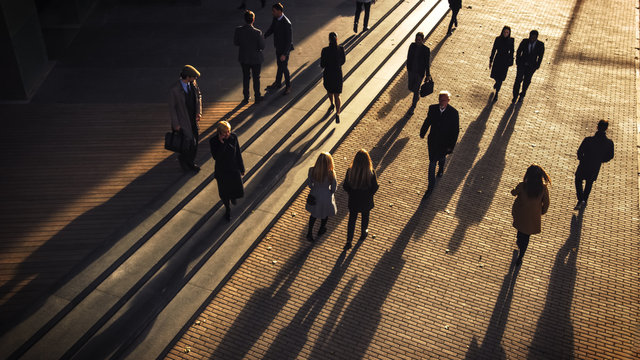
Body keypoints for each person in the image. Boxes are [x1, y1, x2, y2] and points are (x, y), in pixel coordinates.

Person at [419, 91, 460, 199]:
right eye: (440, 99)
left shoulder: (453, 113)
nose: (441, 102)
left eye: (444, 100)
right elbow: (428, 121)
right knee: (432, 163)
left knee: (439, 159)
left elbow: (455, 131)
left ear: (448, 100)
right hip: (433, 142)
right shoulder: (432, 108)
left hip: (444, 144)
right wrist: (423, 131)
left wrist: (451, 146)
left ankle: (441, 168)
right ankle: (430, 187)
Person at [511, 164, 551, 266]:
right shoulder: (543, 189)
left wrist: (513, 190)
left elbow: (514, 193)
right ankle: (521, 256)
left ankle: (520, 245)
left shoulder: (523, 186)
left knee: (520, 234)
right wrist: (542, 211)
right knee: (526, 237)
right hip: (533, 218)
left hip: (521, 215)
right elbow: (546, 203)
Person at [574, 120, 614, 210]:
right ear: (606, 129)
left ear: (597, 127)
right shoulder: (609, 143)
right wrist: (600, 160)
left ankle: (580, 199)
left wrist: (582, 159)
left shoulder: (588, 140)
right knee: (589, 182)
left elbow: (580, 151)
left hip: (584, 164)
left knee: (578, 179)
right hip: (595, 166)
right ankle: (584, 199)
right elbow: (610, 156)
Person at [343, 149, 379, 251]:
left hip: (354, 200)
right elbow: (375, 186)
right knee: (365, 216)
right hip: (366, 200)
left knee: (352, 220)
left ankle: (349, 240)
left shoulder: (350, 171)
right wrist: (369, 194)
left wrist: (351, 192)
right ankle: (363, 232)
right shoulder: (370, 172)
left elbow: (345, 186)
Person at [169, 65, 202, 172]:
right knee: (187, 142)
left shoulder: (193, 85)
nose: (195, 79)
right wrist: (176, 124)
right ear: (188, 77)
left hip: (192, 118)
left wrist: (199, 112)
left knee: (195, 141)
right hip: (182, 121)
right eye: (194, 77)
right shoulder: (175, 90)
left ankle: (190, 161)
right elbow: (172, 108)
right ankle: (186, 162)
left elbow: (199, 97)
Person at [210, 121, 245, 221]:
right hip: (222, 171)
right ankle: (227, 209)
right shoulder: (213, 141)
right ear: (220, 133)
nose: (227, 134)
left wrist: (242, 168)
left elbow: (237, 152)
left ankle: (232, 197)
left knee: (237, 189)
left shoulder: (233, 137)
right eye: (225, 132)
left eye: (228, 131)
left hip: (233, 168)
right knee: (224, 193)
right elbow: (216, 157)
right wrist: (222, 144)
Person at [234, 10, 266, 104]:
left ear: (244, 19)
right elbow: (262, 46)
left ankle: (246, 97)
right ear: (253, 20)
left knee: (245, 77)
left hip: (244, 57)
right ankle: (257, 96)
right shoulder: (257, 32)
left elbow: (236, 42)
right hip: (256, 59)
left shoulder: (238, 30)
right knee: (256, 77)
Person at [305, 152, 338, 242]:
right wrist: (330, 192)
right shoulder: (331, 173)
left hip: (315, 194)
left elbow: (309, 184)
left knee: (313, 215)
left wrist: (314, 189)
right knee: (325, 213)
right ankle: (321, 229)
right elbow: (334, 188)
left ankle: (309, 232)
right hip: (326, 196)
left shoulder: (312, 170)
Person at [264, 2, 293, 95]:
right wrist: (264, 35)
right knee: (279, 65)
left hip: (285, 49)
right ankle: (278, 82)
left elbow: (289, 41)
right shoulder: (276, 18)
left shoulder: (287, 23)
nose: (272, 13)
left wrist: (284, 54)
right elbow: (272, 28)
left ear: (280, 11)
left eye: (274, 11)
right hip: (278, 47)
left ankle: (288, 86)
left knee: (284, 68)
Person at [512, 30, 544, 103]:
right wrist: (518, 61)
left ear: (536, 37)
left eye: (533, 37)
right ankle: (515, 96)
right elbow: (519, 51)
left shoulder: (540, 45)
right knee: (518, 80)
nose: (531, 39)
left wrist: (537, 66)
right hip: (522, 64)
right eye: (530, 37)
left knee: (527, 81)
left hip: (531, 67)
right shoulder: (524, 41)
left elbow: (540, 56)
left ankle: (522, 94)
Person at [321, 32, 346, 124]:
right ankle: (338, 112)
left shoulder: (325, 50)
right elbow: (343, 61)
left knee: (329, 90)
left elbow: (322, 64)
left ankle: (331, 104)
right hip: (337, 74)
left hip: (328, 74)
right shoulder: (341, 49)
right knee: (337, 95)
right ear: (337, 39)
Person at [407, 32, 431, 113]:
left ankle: (413, 105)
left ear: (423, 40)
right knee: (411, 87)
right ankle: (416, 96)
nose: (417, 41)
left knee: (416, 89)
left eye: (419, 40)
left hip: (419, 73)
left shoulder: (426, 50)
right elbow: (408, 57)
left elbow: (427, 63)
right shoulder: (412, 46)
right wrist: (408, 68)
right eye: (416, 39)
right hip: (411, 71)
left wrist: (428, 74)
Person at [489, 26, 514, 102]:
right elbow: (494, 49)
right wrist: (491, 60)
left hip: (505, 61)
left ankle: (497, 93)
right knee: (495, 76)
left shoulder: (511, 40)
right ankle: (496, 82)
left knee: (501, 78)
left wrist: (511, 60)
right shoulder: (498, 39)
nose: (505, 34)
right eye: (504, 32)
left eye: (507, 32)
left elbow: (512, 51)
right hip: (498, 59)